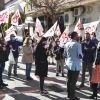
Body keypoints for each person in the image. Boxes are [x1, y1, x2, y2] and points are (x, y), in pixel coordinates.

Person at [64, 31, 82, 100]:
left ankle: (69, 94)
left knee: (69, 80)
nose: (77, 36)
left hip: (69, 64)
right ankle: (72, 96)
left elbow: (65, 55)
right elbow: (80, 55)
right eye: (77, 35)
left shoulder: (66, 44)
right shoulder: (78, 45)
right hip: (75, 65)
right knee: (73, 82)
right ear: (74, 36)